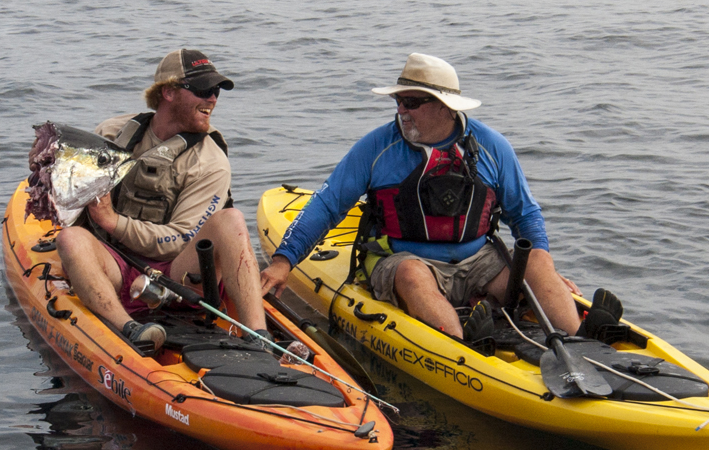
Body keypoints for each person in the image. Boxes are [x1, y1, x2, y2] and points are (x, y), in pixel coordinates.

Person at [261, 52, 621, 343]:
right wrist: (284, 261)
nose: (401, 110)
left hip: (477, 259)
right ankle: (463, 342)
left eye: (412, 103)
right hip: (402, 259)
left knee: (537, 262)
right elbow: (327, 205)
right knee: (413, 276)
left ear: (446, 107)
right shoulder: (376, 148)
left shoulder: (493, 148)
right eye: (399, 101)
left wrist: (546, 271)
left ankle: (582, 340)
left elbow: (525, 215)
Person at [57, 48, 268, 350]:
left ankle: (258, 337)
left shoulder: (211, 162)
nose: (213, 99)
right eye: (204, 90)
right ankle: (128, 329)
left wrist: (114, 222)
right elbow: (75, 200)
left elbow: (182, 239)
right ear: (168, 92)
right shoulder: (112, 133)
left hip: (179, 273)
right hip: (116, 265)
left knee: (231, 219)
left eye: (216, 91)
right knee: (70, 239)